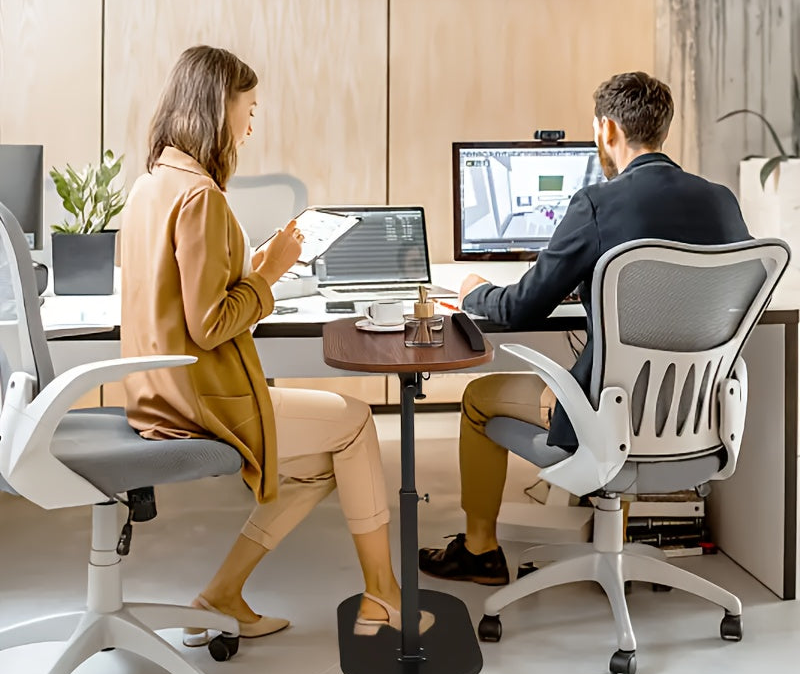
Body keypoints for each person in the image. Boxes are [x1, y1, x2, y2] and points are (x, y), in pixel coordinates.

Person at [121, 45, 432, 642]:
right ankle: (384, 596)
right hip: (203, 403)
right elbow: (211, 324)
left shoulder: (152, 185)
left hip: (158, 396)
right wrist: (267, 277)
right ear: (218, 108)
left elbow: (182, 300)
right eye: (249, 106)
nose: (252, 121)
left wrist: (256, 266)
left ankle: (222, 596)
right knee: (356, 421)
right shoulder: (201, 197)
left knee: (318, 467)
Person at [419, 71, 751, 586]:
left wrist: (471, 293)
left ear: (607, 130)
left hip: (609, 416)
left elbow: (518, 310)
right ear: (663, 129)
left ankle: (479, 551)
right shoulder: (723, 202)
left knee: (477, 397)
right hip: (697, 416)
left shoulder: (598, 203)